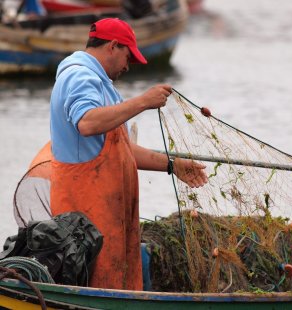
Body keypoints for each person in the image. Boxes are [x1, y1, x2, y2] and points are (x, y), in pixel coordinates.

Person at [48, 17, 208, 290]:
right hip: (84, 217)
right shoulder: (79, 75)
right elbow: (87, 123)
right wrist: (143, 101)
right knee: (93, 284)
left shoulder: (103, 85)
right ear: (112, 46)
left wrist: (172, 165)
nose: (129, 65)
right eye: (128, 56)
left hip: (107, 215)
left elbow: (120, 150)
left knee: (116, 284)